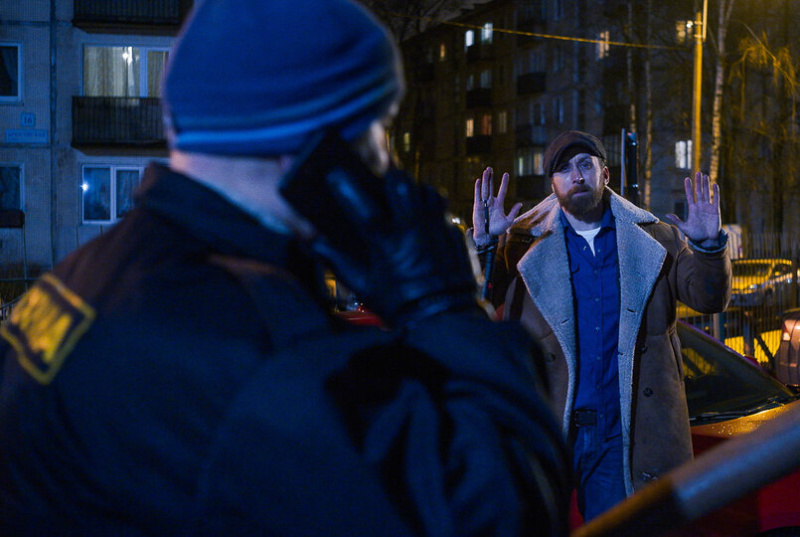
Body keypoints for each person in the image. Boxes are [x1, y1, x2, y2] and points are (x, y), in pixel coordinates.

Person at [0, 1, 571, 535]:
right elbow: (501, 509)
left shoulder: (91, 272)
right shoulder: (260, 348)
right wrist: (444, 305)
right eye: (378, 130)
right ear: (320, 150)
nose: (387, 162)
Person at [472, 130, 731, 522]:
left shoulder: (655, 237)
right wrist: (486, 248)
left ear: (605, 174)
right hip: (548, 430)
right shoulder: (522, 244)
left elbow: (709, 300)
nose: (576, 175)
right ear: (553, 184)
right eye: (563, 169)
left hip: (620, 434)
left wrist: (709, 249)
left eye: (585, 164)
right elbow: (478, 314)